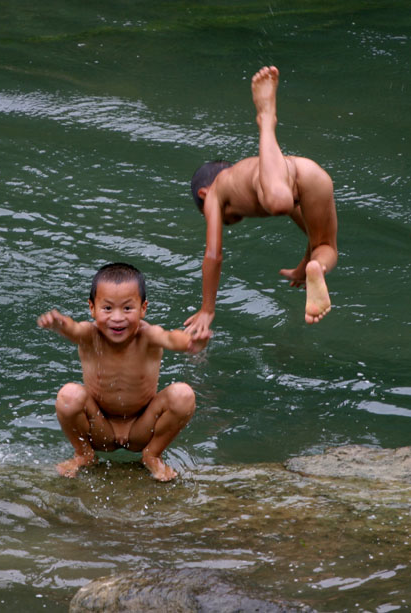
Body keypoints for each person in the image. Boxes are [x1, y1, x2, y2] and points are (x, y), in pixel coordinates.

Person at [185, 65, 337, 340]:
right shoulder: (253, 184)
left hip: (279, 182)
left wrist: (207, 309)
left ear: (203, 194)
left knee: (277, 201)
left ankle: (266, 117)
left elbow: (213, 255)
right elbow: (312, 237)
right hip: (314, 175)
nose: (231, 220)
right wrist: (307, 266)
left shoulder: (217, 191)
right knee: (325, 247)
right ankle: (319, 268)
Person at [37, 263, 206, 481]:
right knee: (68, 395)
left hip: (141, 428)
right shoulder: (90, 336)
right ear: (92, 308)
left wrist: (191, 342)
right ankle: (84, 454)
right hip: (100, 428)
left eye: (127, 308)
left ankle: (152, 455)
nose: (117, 318)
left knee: (183, 395)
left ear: (143, 308)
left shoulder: (148, 336)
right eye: (107, 308)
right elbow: (74, 329)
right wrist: (60, 325)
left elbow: (171, 337)